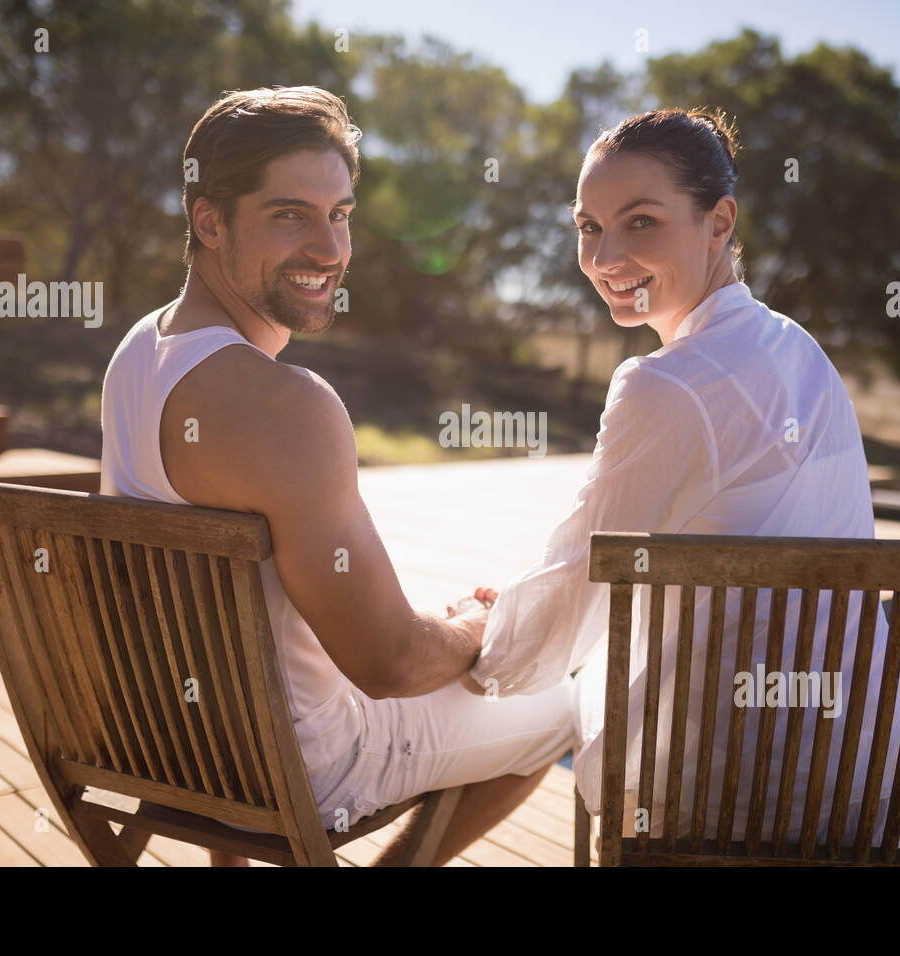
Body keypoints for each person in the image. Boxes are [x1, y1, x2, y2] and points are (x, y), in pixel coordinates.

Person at [99, 86, 577, 866]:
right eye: (290, 213)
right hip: (302, 769)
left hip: (171, 744)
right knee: (562, 703)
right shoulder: (289, 406)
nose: (329, 248)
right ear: (209, 221)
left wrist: (431, 629)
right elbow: (387, 664)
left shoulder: (136, 353)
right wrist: (475, 628)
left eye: (341, 213)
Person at [467, 107, 900, 850]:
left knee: (505, 705)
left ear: (719, 223)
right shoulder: (800, 349)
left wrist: (483, 638)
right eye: (589, 227)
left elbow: (572, 594)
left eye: (641, 221)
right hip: (864, 786)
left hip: (709, 802)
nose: (605, 255)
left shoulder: (666, 383)